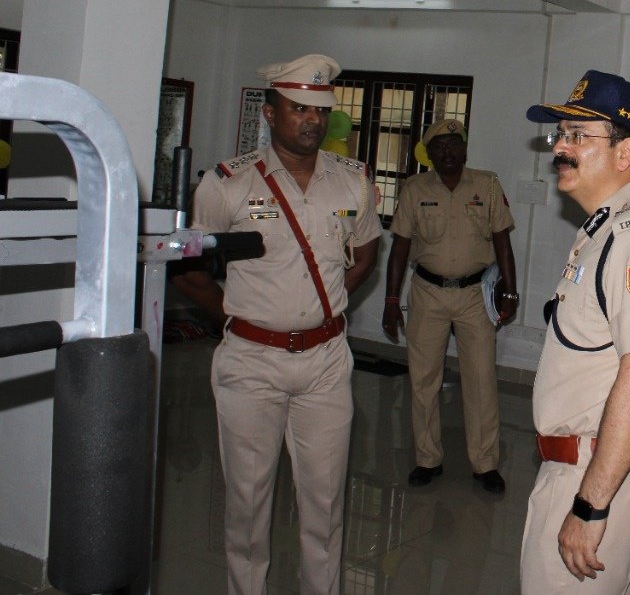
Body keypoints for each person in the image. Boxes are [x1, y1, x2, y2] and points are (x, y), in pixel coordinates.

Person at [172, 53, 382, 595]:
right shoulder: (227, 183)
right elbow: (190, 272)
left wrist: (324, 308)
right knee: (247, 502)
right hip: (251, 363)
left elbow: (364, 256)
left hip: (327, 365)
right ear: (269, 113)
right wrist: (242, 319)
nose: (311, 120)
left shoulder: (352, 181)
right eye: (298, 108)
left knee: (325, 503)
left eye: (319, 111)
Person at [520, 70, 630, 593]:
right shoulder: (605, 230)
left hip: (595, 475)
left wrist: (591, 507)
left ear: (624, 153)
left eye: (578, 137)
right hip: (587, 465)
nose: (560, 151)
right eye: (560, 136)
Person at [382, 118, 517, 493]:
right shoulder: (414, 188)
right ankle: (427, 458)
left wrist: (511, 291)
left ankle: (485, 463)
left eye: (454, 144)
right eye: (440, 145)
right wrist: (392, 299)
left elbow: (502, 241)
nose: (448, 151)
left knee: (481, 379)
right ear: (430, 152)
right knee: (424, 379)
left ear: (464, 148)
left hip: (476, 296)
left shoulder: (487, 184)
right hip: (428, 293)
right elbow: (400, 248)